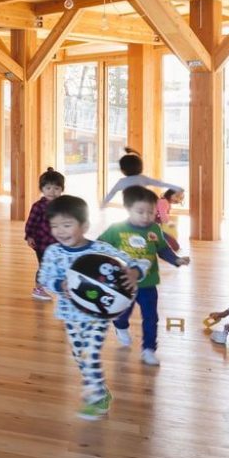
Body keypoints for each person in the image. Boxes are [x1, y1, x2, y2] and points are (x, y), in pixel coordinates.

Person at [36, 195, 145, 420]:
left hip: (98, 315)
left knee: (90, 353)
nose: (60, 231)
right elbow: (44, 277)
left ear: (84, 226)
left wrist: (134, 272)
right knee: (80, 356)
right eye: (55, 226)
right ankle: (101, 391)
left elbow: (133, 261)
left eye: (67, 225)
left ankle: (95, 400)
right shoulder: (53, 252)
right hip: (70, 315)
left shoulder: (100, 249)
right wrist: (59, 284)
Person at [100, 186, 189, 366]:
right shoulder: (116, 229)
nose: (146, 216)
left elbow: (163, 249)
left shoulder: (155, 229)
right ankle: (121, 325)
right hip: (124, 284)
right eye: (140, 212)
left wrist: (176, 260)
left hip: (148, 283)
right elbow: (100, 246)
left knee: (151, 317)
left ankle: (149, 349)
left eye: (150, 212)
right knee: (124, 312)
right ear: (128, 209)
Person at [24, 168, 66, 300]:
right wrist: (29, 236)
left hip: (59, 242)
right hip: (42, 243)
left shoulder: (63, 205)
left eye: (56, 188)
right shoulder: (39, 206)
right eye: (48, 188)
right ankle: (39, 289)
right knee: (44, 266)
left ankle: (62, 288)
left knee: (61, 265)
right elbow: (31, 223)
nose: (52, 192)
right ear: (42, 189)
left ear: (61, 189)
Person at [98, 149, 181, 209]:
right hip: (145, 204)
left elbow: (112, 193)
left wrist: (104, 203)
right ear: (141, 167)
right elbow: (160, 183)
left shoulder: (122, 182)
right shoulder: (143, 178)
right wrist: (176, 188)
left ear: (123, 170)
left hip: (131, 206)